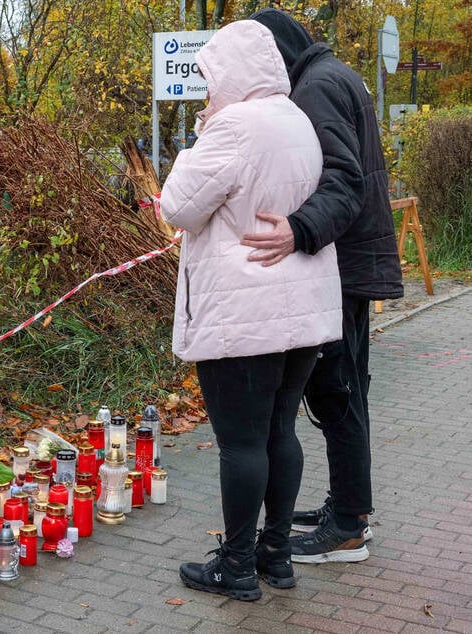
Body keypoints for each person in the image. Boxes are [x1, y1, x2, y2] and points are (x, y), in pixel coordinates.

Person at [157, 20, 342, 601]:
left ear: (231, 73)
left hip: (243, 314)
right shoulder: (296, 119)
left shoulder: (233, 125)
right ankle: (276, 555)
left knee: (240, 443)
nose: (207, 91)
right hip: (299, 310)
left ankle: (236, 568)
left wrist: (203, 133)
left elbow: (177, 206)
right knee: (279, 432)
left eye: (211, 78)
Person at [245, 8, 404, 564]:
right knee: (347, 391)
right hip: (356, 263)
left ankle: (348, 526)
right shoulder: (335, 74)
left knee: (336, 394)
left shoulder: (313, 91)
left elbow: (343, 179)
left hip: (343, 267)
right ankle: (349, 504)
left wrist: (298, 229)